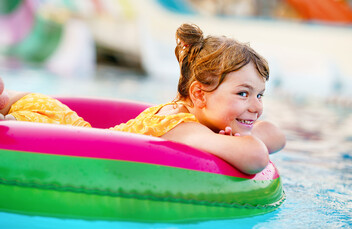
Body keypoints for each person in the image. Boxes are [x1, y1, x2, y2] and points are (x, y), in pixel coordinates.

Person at [0, 23, 285, 174]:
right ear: (199, 93)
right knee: (15, 123)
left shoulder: (193, 114)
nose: (257, 107)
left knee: (18, 103)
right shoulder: (186, 128)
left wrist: (236, 132)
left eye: (260, 94)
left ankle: (7, 98)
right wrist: (237, 139)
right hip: (64, 139)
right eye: (243, 94)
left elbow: (276, 135)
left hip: (70, 123)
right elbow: (256, 156)